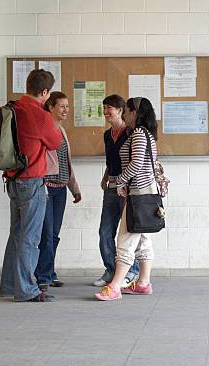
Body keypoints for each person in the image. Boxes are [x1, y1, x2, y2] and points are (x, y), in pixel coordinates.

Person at [0, 69, 62, 302]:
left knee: (16, 234)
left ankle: (9, 285)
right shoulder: (40, 115)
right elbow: (56, 142)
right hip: (32, 182)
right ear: (45, 92)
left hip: (12, 180)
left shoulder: (11, 109)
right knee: (30, 238)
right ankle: (26, 290)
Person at [95, 97, 157, 301]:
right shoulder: (147, 133)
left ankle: (114, 286)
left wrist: (120, 181)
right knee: (143, 239)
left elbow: (137, 163)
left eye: (128, 111)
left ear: (132, 112)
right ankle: (143, 283)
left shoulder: (138, 133)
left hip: (138, 193)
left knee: (125, 239)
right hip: (147, 192)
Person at [34, 91, 82, 291]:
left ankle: (49, 272)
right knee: (46, 234)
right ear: (51, 107)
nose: (66, 110)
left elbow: (66, 163)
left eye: (67, 106)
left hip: (61, 189)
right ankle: (43, 277)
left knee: (54, 234)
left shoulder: (62, 131)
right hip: (45, 187)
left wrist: (75, 189)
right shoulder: (44, 129)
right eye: (61, 106)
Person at [93, 94, 140, 288]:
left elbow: (132, 161)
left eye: (109, 108)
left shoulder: (130, 132)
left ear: (120, 110)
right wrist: (105, 177)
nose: (106, 112)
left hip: (128, 189)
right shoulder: (107, 135)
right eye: (104, 108)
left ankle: (132, 271)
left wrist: (124, 182)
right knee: (105, 232)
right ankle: (112, 270)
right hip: (111, 187)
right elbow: (110, 161)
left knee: (128, 233)